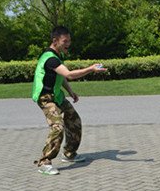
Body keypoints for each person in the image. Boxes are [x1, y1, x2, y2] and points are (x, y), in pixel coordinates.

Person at [32, 26, 106, 175]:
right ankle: (44, 162)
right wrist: (91, 69)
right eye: (65, 41)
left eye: (69, 41)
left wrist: (70, 92)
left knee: (74, 120)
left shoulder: (58, 56)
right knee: (57, 126)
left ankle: (69, 153)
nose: (68, 44)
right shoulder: (50, 59)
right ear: (55, 41)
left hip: (57, 95)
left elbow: (61, 77)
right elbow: (69, 74)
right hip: (45, 98)